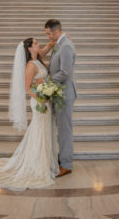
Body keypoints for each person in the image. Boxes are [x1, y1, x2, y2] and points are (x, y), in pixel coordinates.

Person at [0, 37, 59, 191]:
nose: (38, 44)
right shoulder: (30, 66)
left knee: (45, 130)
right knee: (39, 130)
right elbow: (27, 88)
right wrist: (42, 97)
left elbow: (46, 49)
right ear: (29, 49)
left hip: (45, 100)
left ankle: (44, 162)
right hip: (39, 102)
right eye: (35, 43)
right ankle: (36, 164)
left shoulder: (38, 59)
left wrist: (55, 41)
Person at [43, 19, 77, 178]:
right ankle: (62, 157)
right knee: (61, 128)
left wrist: (47, 83)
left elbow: (65, 72)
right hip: (59, 93)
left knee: (65, 130)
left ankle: (66, 164)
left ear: (56, 32)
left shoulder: (66, 46)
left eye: (49, 33)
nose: (48, 36)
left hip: (65, 94)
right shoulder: (59, 43)